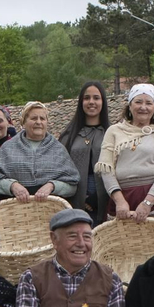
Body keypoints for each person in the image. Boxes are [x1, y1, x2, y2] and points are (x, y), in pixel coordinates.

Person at [100, 83, 154, 220]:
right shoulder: (114, 131)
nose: (143, 107)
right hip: (121, 199)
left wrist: (147, 203)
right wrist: (119, 201)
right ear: (130, 106)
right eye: (138, 102)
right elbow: (105, 168)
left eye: (149, 103)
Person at [0, 102, 80, 205]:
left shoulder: (58, 149)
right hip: (16, 211)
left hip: (51, 209)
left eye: (42, 119)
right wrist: (12, 186)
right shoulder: (8, 148)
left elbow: (72, 185)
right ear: (24, 122)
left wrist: (52, 186)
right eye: (34, 118)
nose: (38, 122)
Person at [57, 82, 109, 217]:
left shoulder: (112, 134)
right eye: (87, 98)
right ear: (81, 102)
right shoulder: (68, 136)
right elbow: (60, 167)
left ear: (103, 101)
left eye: (96, 98)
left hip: (105, 197)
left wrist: (96, 196)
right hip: (75, 195)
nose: (91, 102)